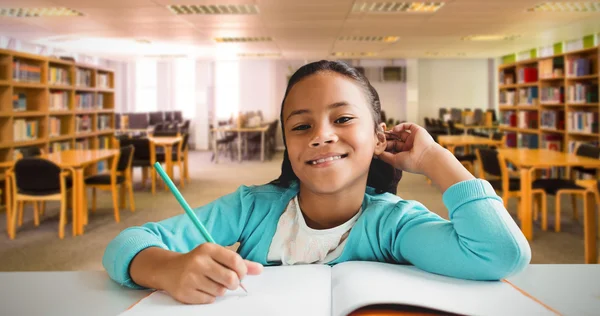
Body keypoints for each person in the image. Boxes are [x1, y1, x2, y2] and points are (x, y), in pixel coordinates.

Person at [102, 60, 530, 305]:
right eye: (300, 125)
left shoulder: (393, 224)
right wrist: (166, 267)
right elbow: (126, 244)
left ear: (379, 136)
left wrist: (435, 159)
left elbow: (499, 254)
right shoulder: (252, 207)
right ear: (287, 143)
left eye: (343, 119)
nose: (321, 135)